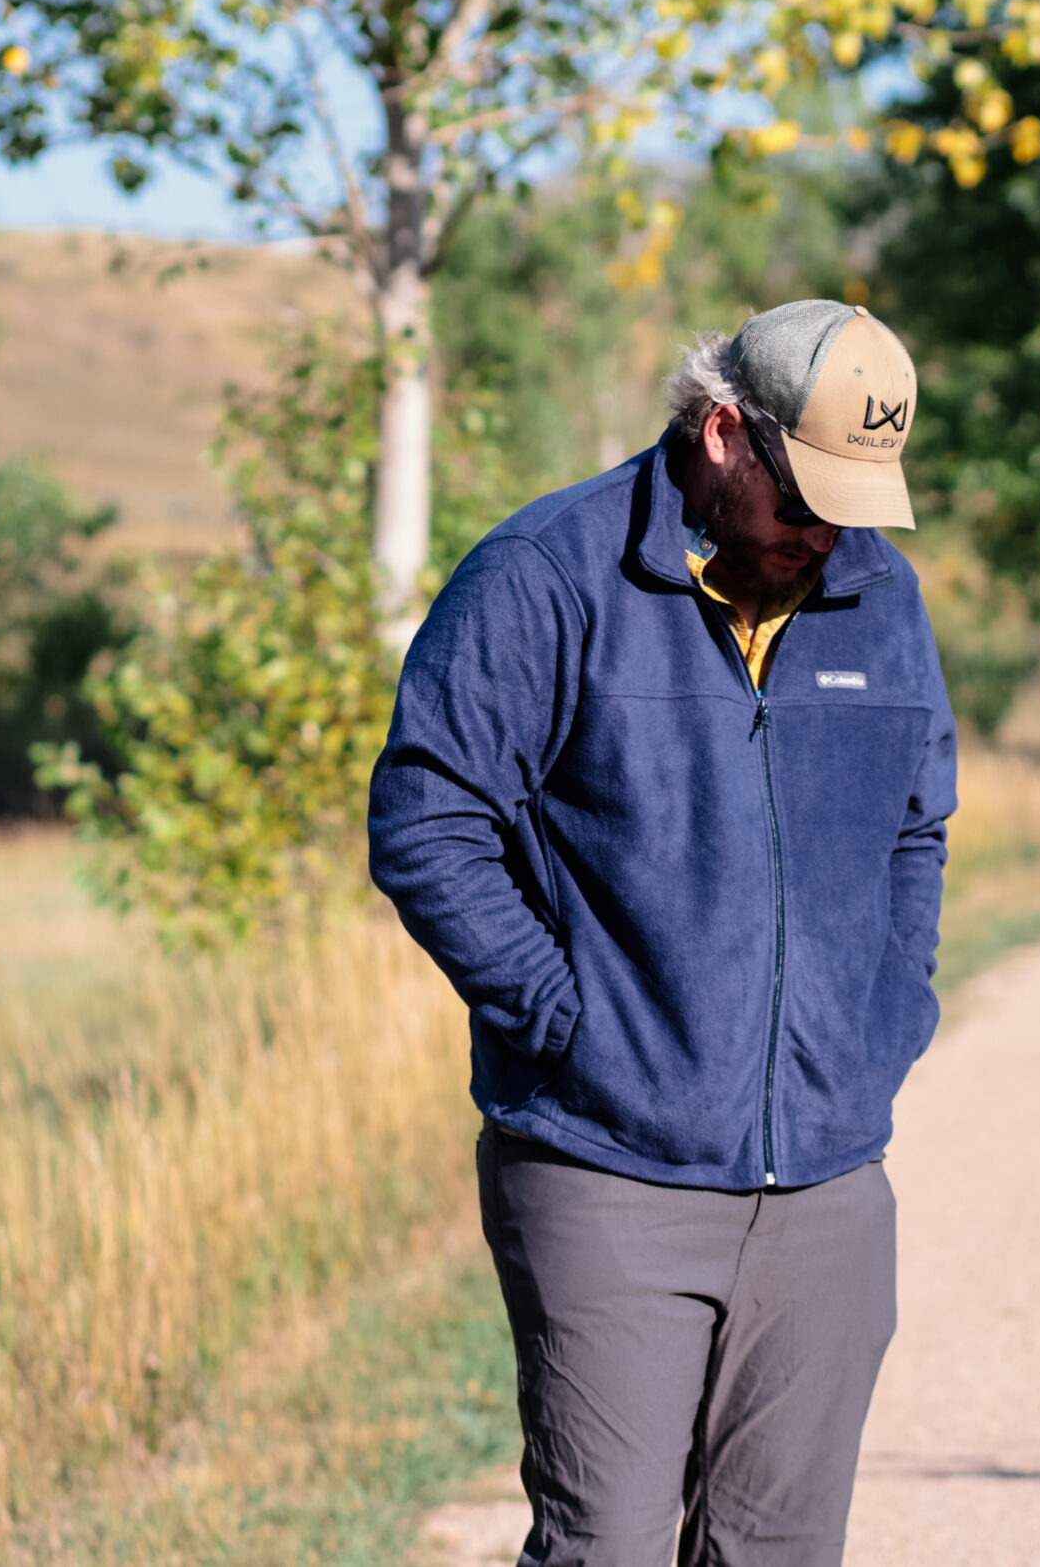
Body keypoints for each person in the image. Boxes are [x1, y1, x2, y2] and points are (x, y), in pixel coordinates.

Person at [369, 300, 958, 1567]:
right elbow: (429, 820)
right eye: (807, 495)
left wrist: (882, 1018)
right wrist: (569, 1023)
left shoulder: (879, 595)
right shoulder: (544, 577)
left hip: (827, 1180)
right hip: (605, 1164)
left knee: (779, 1554)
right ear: (724, 433)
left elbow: (918, 826)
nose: (828, 533)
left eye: (859, 501)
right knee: (610, 1550)